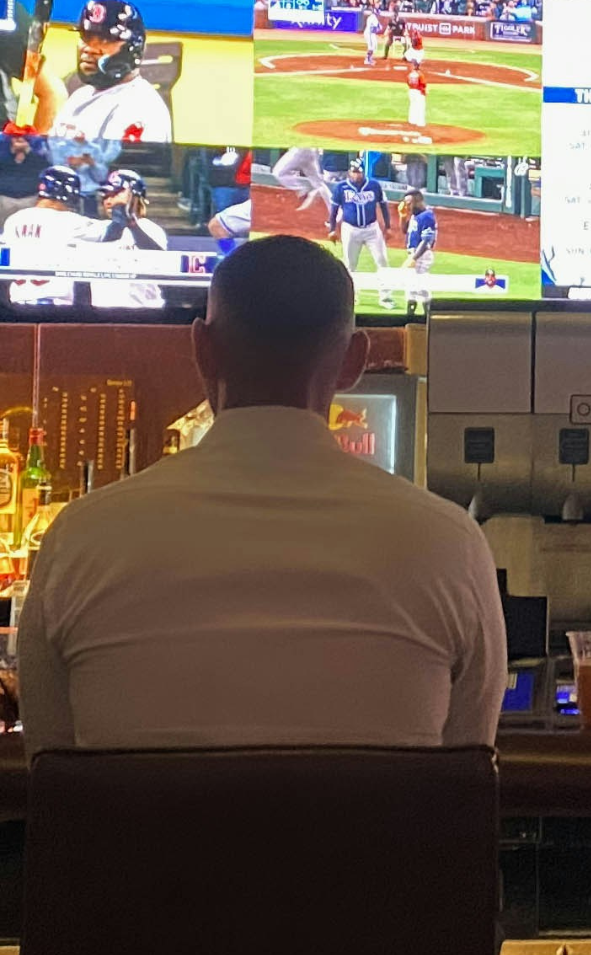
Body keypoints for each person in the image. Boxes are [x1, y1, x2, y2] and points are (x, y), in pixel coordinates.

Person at [12, 234, 505, 751]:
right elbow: (465, 772)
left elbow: (51, 770)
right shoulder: (449, 543)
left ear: (201, 348)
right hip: (363, 836)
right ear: (354, 360)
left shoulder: (80, 539)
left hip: (143, 835)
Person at [24, 0, 172, 143]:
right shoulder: (81, 96)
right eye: (85, 37)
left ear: (134, 48)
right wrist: (28, 147)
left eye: (105, 40)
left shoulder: (140, 107)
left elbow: (121, 166)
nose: (89, 48)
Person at [328, 159, 394, 272]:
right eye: (354, 172)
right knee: (350, 265)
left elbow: (383, 206)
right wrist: (332, 229)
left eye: (359, 172)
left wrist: (388, 227)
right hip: (350, 229)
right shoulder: (341, 187)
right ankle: (350, 289)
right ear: (349, 172)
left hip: (371, 229)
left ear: (363, 172)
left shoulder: (374, 185)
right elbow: (334, 210)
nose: (357, 175)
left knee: (382, 260)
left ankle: (385, 290)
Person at [92, 169, 167, 248]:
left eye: (115, 193)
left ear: (135, 195)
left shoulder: (150, 228)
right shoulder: (98, 228)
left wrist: (133, 226)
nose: (109, 201)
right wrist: (116, 226)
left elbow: (158, 257)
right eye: (105, 196)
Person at [0, 133, 49, 221]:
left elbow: (46, 165)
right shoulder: (2, 140)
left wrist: (28, 151)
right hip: (5, 198)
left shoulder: (37, 141)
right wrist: (12, 152)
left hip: (31, 198)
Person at [402, 188, 437, 272]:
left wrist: (414, 259)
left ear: (418, 202)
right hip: (414, 254)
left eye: (409, 204)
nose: (407, 207)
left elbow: (426, 242)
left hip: (421, 255)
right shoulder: (415, 214)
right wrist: (402, 217)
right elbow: (405, 230)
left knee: (417, 283)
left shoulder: (427, 216)